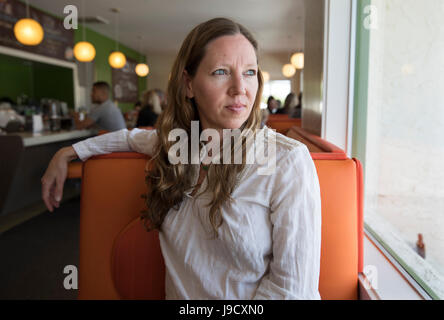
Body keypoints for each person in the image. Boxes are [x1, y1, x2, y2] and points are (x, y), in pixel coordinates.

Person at [41, 17, 322, 300]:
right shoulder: (178, 144)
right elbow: (129, 137)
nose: (240, 89)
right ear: (188, 84)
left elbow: (291, 291)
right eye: (221, 71)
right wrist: (68, 152)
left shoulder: (286, 160)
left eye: (249, 72)